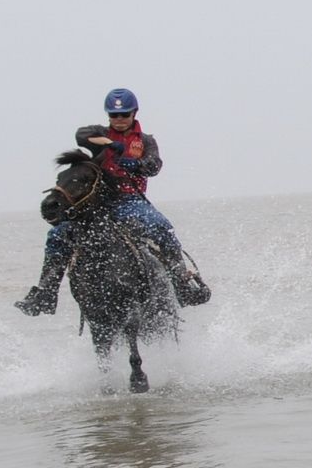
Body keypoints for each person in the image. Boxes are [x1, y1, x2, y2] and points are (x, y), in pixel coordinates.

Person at [14, 88, 210, 316]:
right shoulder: (100, 133)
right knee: (57, 235)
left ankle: (182, 286)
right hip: (98, 202)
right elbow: (81, 134)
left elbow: (155, 166)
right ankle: (45, 294)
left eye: (124, 115)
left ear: (134, 113)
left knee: (160, 227)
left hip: (130, 201)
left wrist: (135, 164)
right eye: (114, 115)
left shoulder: (146, 141)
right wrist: (109, 144)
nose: (119, 120)